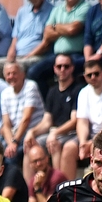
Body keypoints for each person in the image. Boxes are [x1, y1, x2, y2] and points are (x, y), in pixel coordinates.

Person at [23, 53, 82, 183]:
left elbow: (74, 121)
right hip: (55, 133)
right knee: (29, 144)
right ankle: (30, 190)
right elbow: (47, 121)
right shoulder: (52, 91)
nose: (62, 69)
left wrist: (55, 133)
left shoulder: (78, 89)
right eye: (59, 66)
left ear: (72, 68)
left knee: (54, 143)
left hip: (72, 133)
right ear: (54, 68)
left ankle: (58, 188)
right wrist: (32, 132)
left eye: (66, 66)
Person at [27, 0, 90, 95]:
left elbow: (72, 29)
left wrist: (55, 26)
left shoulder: (85, 7)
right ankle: (49, 100)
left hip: (75, 54)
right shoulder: (57, 9)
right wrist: (65, 29)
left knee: (70, 72)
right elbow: (47, 34)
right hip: (57, 55)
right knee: (33, 72)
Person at [0, 0, 53, 78]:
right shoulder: (22, 12)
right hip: (18, 57)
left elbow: (46, 43)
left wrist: (28, 56)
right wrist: (10, 57)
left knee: (16, 67)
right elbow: (15, 38)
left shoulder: (52, 11)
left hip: (37, 57)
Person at [0, 61, 45, 163]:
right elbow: (6, 124)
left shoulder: (30, 86)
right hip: (15, 136)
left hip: (33, 133)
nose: (11, 76)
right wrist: (11, 143)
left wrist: (14, 142)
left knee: (10, 159)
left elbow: (26, 119)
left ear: (22, 74)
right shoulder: (5, 93)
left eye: (14, 73)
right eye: (8, 74)